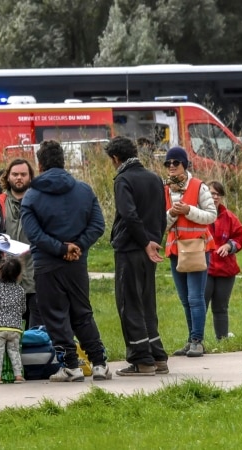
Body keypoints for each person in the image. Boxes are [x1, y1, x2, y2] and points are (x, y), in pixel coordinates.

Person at [21, 140, 110, 382]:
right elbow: (98, 225)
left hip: (47, 264)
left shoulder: (31, 196)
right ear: (63, 161)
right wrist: (78, 246)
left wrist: (60, 248)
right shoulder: (84, 190)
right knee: (82, 312)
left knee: (55, 316)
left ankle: (71, 365)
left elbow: (34, 234)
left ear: (40, 164)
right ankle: (99, 363)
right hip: (77, 263)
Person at [105, 137, 169, 376]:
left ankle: (141, 360)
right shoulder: (154, 178)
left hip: (131, 248)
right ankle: (158, 357)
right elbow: (162, 215)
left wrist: (143, 242)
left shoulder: (123, 179)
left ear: (115, 158)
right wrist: (154, 242)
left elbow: (128, 214)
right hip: (150, 248)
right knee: (147, 303)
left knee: (129, 304)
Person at [163, 146, 216, 358]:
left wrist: (188, 211)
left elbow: (212, 216)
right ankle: (190, 339)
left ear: (184, 164)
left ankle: (197, 341)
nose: (171, 167)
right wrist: (172, 214)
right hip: (176, 249)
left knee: (195, 297)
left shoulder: (199, 187)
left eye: (175, 163)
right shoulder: (164, 189)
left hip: (197, 248)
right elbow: (160, 222)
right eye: (168, 163)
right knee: (185, 299)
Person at [0, 158, 42, 327]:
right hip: (7, 275)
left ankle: (34, 354)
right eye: (15, 174)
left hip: (34, 274)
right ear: (8, 177)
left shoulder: (39, 201)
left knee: (35, 328)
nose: (19, 178)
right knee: (9, 328)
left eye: (23, 174)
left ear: (30, 177)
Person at [204, 181, 242, 340]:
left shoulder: (230, 217)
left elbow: (240, 237)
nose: (214, 197)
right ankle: (196, 340)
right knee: (200, 306)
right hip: (204, 268)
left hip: (226, 269)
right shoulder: (198, 215)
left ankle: (222, 339)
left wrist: (229, 246)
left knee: (221, 307)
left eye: (217, 194)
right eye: (211, 193)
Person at [0, 258, 27, 384]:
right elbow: (23, 309)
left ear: (0, 273)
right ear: (18, 275)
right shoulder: (21, 290)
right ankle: (18, 376)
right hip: (15, 328)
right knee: (14, 352)